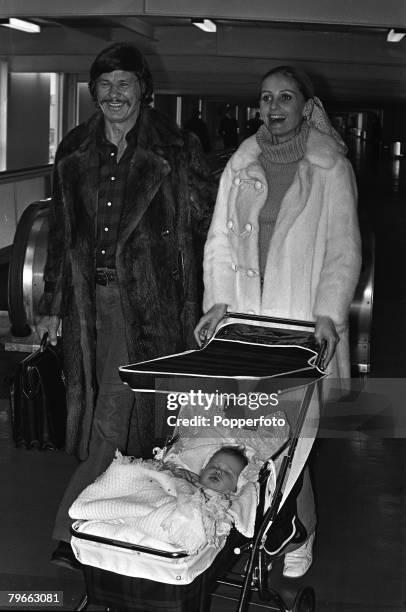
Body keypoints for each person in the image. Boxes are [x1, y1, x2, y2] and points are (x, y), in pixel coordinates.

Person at [35, 41, 214, 569]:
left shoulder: (176, 148)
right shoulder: (74, 150)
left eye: (124, 85)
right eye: (105, 86)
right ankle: (88, 530)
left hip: (156, 302)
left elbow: (208, 219)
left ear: (143, 89)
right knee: (112, 415)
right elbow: (61, 233)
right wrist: (53, 302)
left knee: (131, 419)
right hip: (96, 304)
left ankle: (82, 532)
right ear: (95, 93)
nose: (114, 95)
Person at [194, 66, 362, 577]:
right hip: (245, 324)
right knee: (251, 434)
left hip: (299, 329)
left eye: (285, 96)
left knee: (294, 442)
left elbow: (342, 249)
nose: (274, 106)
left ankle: (298, 534)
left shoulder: (330, 166)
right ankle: (244, 523)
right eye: (266, 97)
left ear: (305, 104)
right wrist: (218, 303)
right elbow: (220, 241)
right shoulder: (241, 163)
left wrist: (329, 316)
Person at [169, 446, 249, 495]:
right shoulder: (190, 478)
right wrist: (177, 473)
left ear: (235, 488)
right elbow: (166, 476)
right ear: (202, 471)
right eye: (215, 466)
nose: (219, 471)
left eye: (228, 472)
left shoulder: (230, 501)